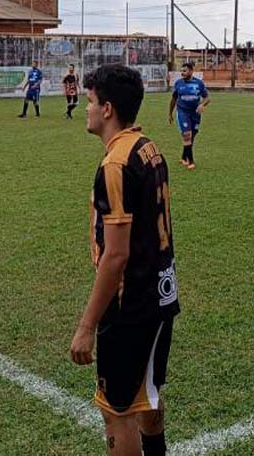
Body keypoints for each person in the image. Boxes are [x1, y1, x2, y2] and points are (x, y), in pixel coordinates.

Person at [70, 64, 180, 456]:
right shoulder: (148, 148)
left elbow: (116, 255)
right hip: (160, 292)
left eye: (90, 101)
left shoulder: (115, 164)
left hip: (130, 304)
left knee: (116, 411)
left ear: (108, 109)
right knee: (147, 394)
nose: (86, 109)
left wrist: (86, 326)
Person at [168, 63, 210, 171]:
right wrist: (170, 113)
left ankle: (183, 157)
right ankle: (190, 161)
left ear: (191, 71)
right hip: (182, 112)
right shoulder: (178, 83)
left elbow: (207, 98)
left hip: (195, 113)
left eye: (184, 71)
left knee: (192, 136)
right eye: (181, 71)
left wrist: (202, 104)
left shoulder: (199, 83)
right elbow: (173, 100)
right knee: (187, 135)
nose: (182, 73)